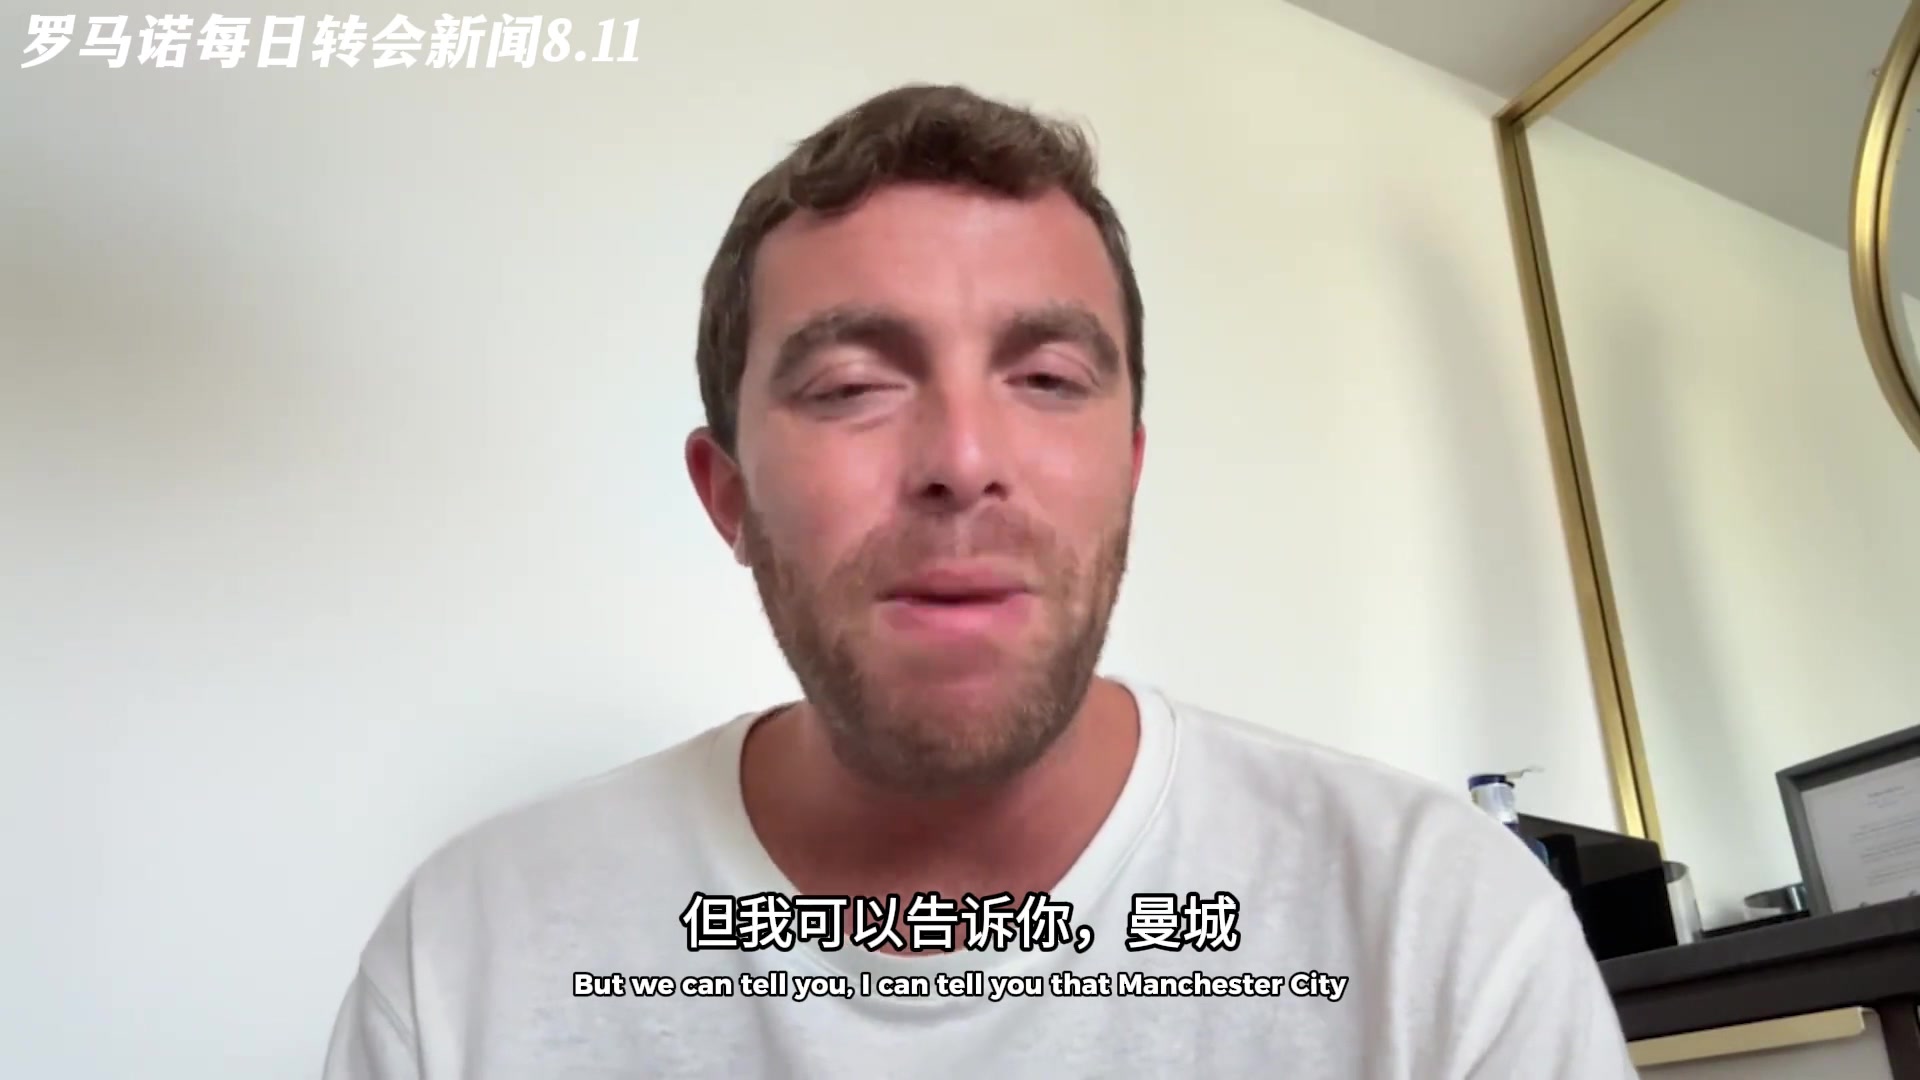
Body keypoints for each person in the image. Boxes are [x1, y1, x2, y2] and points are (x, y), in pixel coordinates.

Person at [322, 83, 1638, 1078]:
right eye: (852, 385)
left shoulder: (1443, 934)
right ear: (728, 499)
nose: (962, 460)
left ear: (1127, 471)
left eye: (1047, 379)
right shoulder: (466, 964)